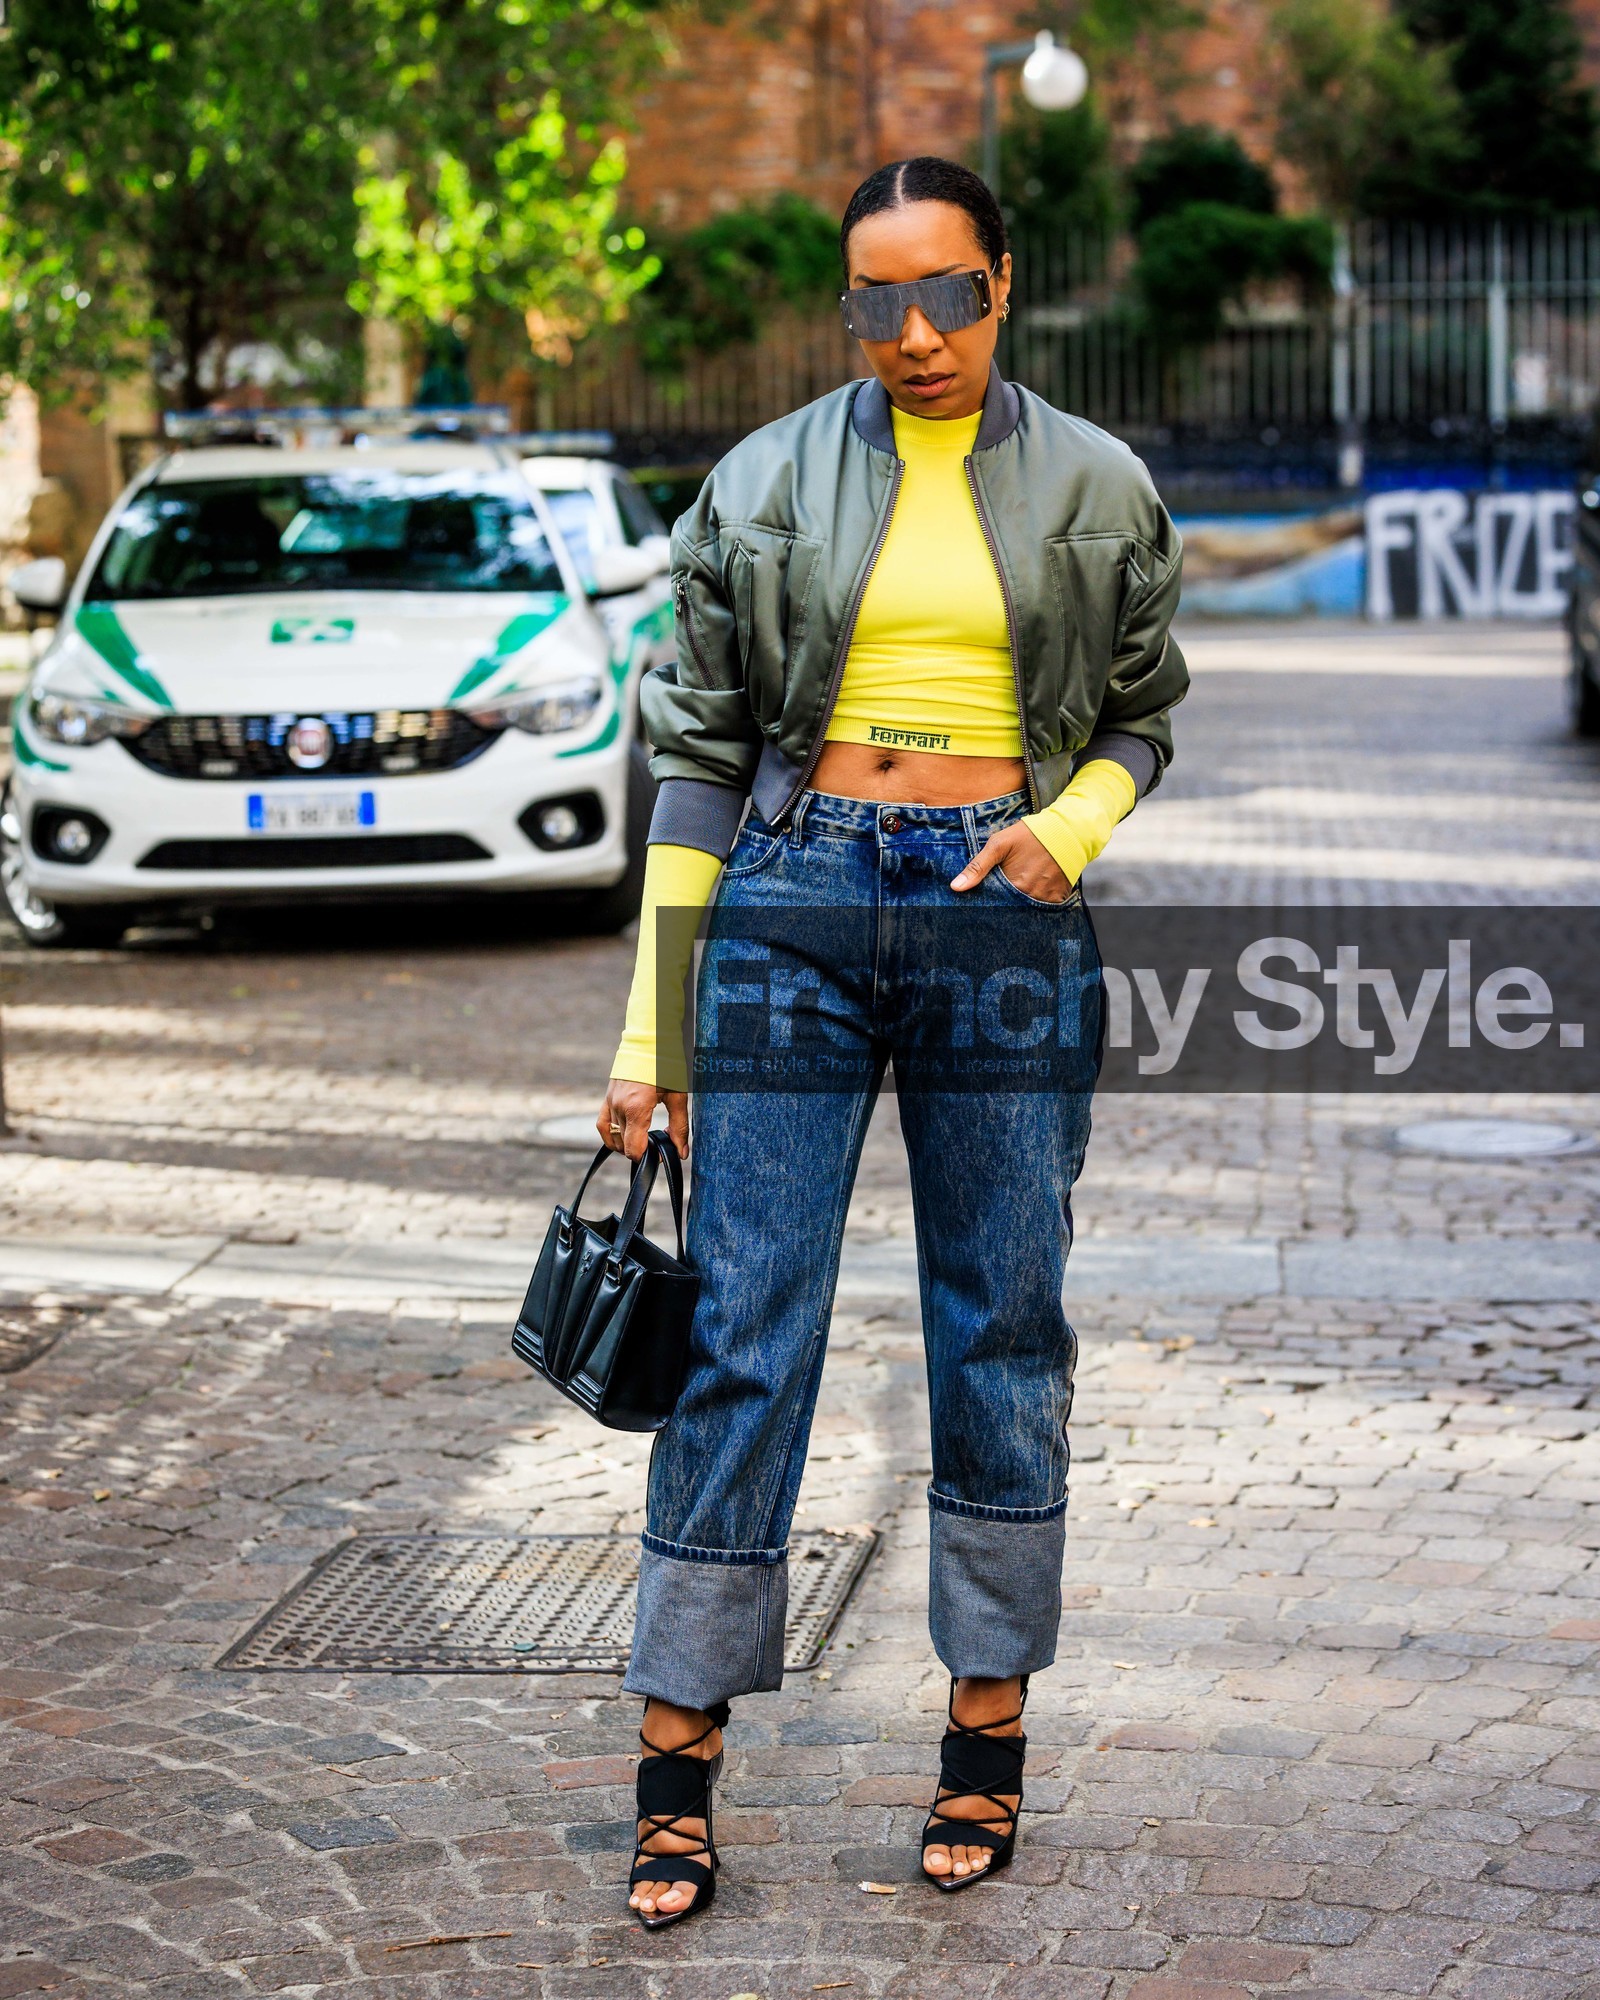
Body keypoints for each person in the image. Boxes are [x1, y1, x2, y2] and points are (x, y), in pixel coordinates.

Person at [596, 154, 1187, 1927]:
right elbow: (696, 759)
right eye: (875, 302)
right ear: (845, 304)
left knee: (1001, 1314)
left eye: (944, 295)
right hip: (789, 898)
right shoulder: (764, 477)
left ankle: (986, 1730)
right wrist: (654, 1033)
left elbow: (1145, 718)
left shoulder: (1098, 480)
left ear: (1004, 285)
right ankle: (675, 1757)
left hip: (1000, 905)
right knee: (743, 1327)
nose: (912, 334)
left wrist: (1066, 833)